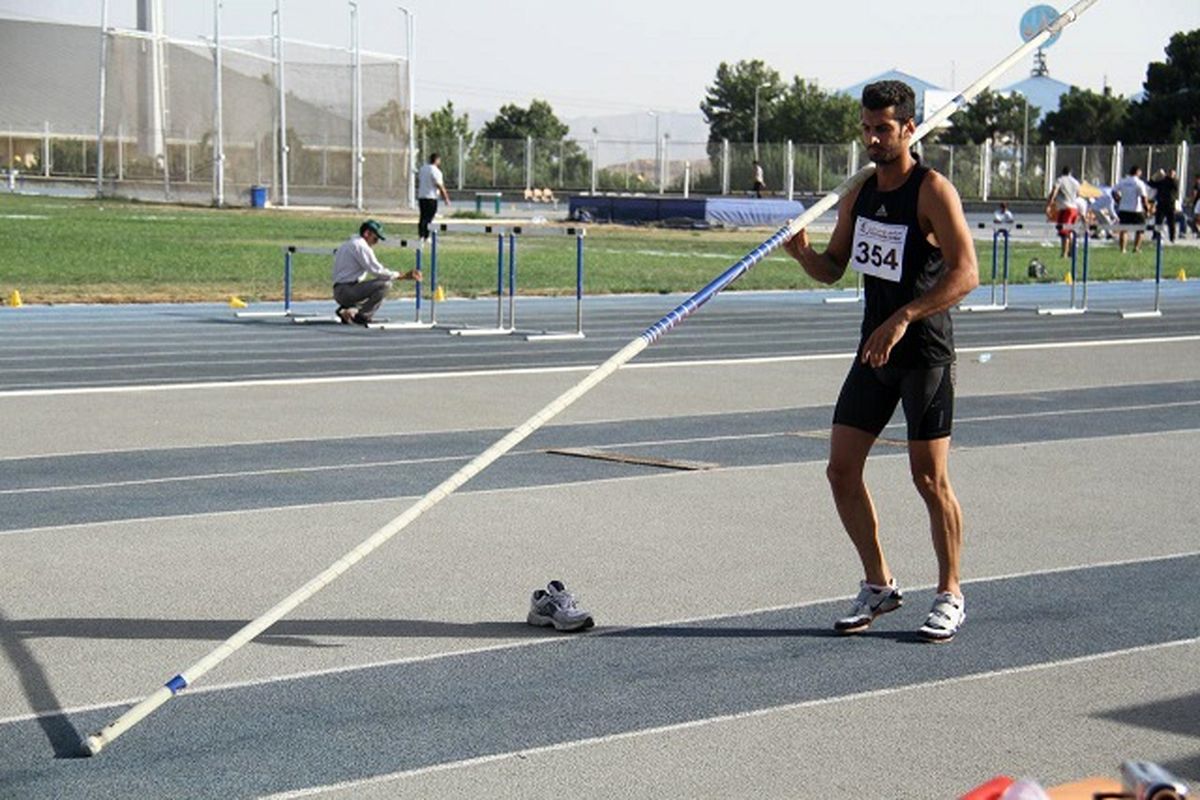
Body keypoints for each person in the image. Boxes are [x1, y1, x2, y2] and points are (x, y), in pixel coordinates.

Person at [783, 80, 979, 643]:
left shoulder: (932, 190)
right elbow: (834, 267)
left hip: (924, 353)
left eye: (883, 129)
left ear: (909, 128)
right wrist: (803, 255)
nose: (872, 138)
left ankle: (950, 594)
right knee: (840, 470)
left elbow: (966, 274)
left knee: (928, 478)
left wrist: (905, 317)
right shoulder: (860, 192)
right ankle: (878, 583)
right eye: (867, 128)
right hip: (875, 349)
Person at [332, 219, 420, 326]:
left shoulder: (350, 243)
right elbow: (377, 271)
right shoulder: (361, 246)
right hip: (347, 290)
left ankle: (347, 310)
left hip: (339, 289)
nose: (376, 242)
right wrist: (403, 275)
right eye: (375, 238)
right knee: (384, 285)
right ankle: (363, 316)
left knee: (375, 285)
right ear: (367, 233)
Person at [1045, 165, 1081, 258]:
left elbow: (1054, 191)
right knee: (1070, 231)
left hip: (1065, 208)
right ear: (1070, 172)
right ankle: (1072, 251)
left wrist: (1049, 203)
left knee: (1064, 232)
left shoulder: (1060, 180)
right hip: (1074, 208)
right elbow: (1078, 194)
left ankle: (1064, 253)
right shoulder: (1076, 182)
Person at [1113, 165, 1149, 254]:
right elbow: (1143, 197)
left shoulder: (1123, 181)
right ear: (1137, 172)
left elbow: (1113, 191)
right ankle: (1136, 248)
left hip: (1124, 208)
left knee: (1124, 230)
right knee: (1140, 229)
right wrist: (1147, 209)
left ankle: (1123, 249)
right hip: (1136, 209)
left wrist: (1118, 200)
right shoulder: (1139, 183)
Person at [417, 153, 451, 242]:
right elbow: (439, 185)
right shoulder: (436, 171)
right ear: (437, 160)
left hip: (422, 196)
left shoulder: (423, 169)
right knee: (429, 217)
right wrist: (446, 198)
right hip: (431, 197)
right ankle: (426, 236)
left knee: (422, 217)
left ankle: (421, 235)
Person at [1147, 168, 1180, 243]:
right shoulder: (1162, 182)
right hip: (1161, 204)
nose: (1171, 175)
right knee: (1158, 221)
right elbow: (1150, 183)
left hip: (1170, 204)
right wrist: (1157, 174)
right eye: (1170, 173)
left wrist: (1166, 176)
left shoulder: (1174, 182)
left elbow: (1174, 183)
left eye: (1173, 173)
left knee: (1171, 222)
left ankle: (1172, 237)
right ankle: (1156, 236)